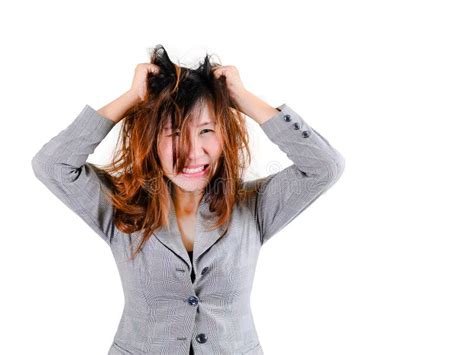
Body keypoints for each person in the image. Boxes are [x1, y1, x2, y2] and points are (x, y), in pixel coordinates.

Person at [31, 44, 345, 354]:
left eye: (206, 130)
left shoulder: (254, 205)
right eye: (174, 133)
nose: (193, 151)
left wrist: (242, 99)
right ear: (150, 140)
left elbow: (324, 167)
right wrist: (132, 99)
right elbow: (52, 165)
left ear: (225, 135)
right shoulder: (121, 205)